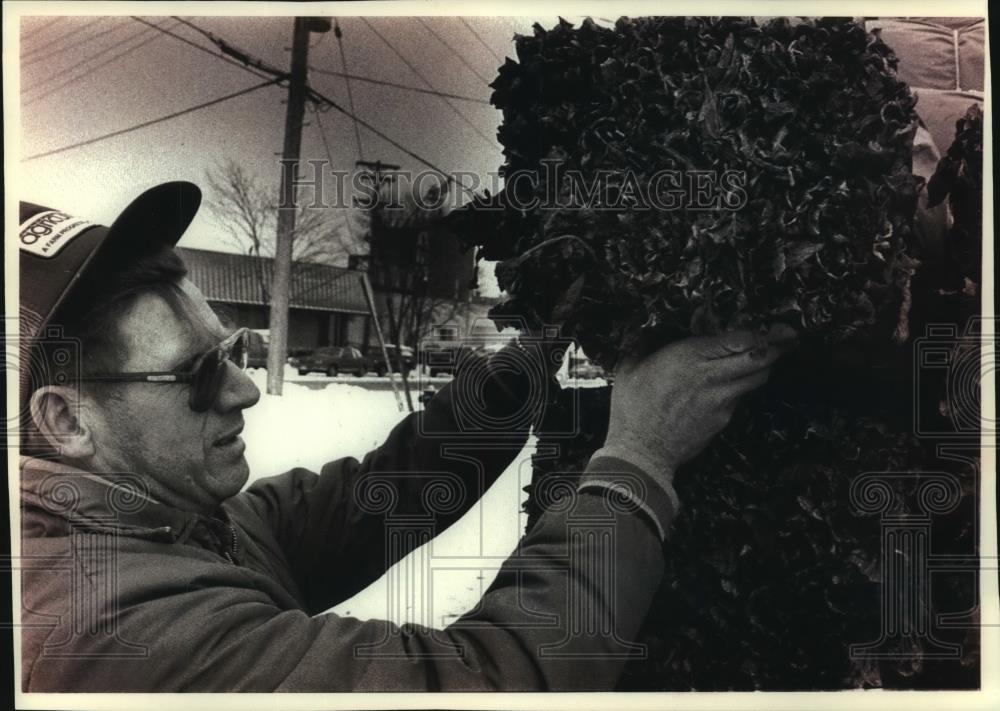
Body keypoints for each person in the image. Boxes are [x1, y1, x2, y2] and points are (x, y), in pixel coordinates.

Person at [17, 182, 795, 691]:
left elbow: (382, 493)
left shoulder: (170, 527)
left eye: (233, 352)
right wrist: (638, 460)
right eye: (193, 373)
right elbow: (483, 686)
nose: (245, 388)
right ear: (65, 421)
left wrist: (539, 348)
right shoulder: (107, 630)